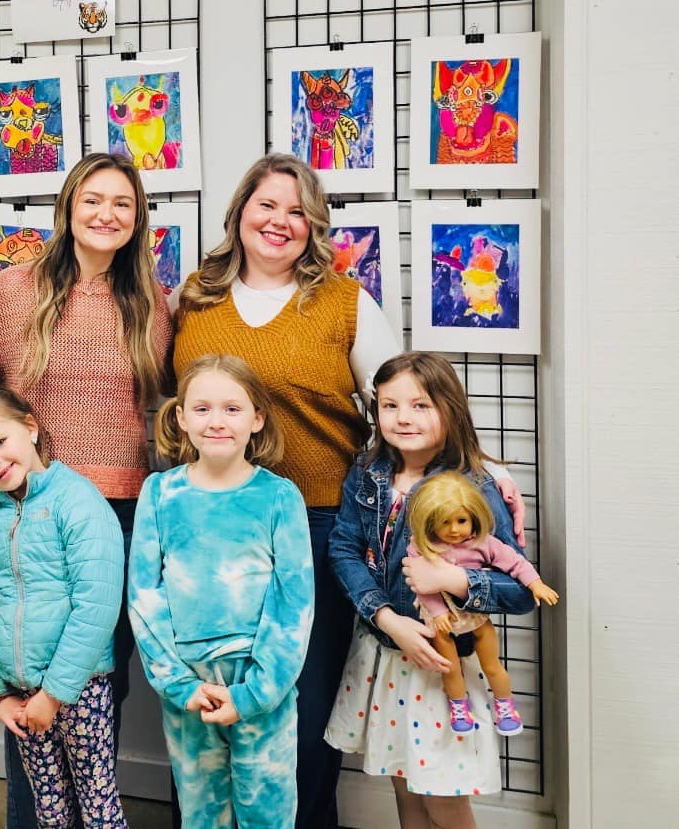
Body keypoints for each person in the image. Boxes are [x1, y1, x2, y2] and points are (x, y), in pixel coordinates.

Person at [171, 153, 397, 829]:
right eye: (266, 205)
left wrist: (479, 468)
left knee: (300, 708)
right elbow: (160, 403)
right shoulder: (191, 299)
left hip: (317, 528)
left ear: (314, 225)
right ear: (239, 211)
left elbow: (402, 404)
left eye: (297, 210)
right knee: (219, 706)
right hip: (210, 530)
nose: (280, 221)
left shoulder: (343, 301)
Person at [0, 151, 172, 829]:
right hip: (29, 512)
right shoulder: (10, 292)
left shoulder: (152, 304)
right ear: (66, 208)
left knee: (97, 686)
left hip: (119, 515)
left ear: (137, 218)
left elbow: (163, 413)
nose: (105, 214)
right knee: (27, 675)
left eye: (121, 203)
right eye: (92, 199)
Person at [325, 351, 536, 829]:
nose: (402, 418)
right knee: (405, 786)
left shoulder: (475, 488)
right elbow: (344, 549)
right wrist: (385, 617)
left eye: (420, 405)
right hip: (388, 655)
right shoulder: (368, 474)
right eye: (389, 405)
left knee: (444, 795)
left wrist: (455, 581)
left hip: (442, 674)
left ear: (450, 408)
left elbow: (520, 590)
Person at [128, 354, 314, 828]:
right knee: (201, 813)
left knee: (266, 814)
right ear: (182, 417)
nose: (216, 421)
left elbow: (294, 605)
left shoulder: (279, 497)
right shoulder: (159, 493)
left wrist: (254, 693)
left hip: (260, 683)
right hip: (189, 687)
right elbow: (144, 598)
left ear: (257, 419)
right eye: (203, 408)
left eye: (232, 409)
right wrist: (178, 683)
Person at [0, 384, 127, 828]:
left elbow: (97, 605)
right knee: (49, 810)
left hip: (79, 688)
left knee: (98, 805)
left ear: (29, 428)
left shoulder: (77, 500)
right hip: (20, 694)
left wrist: (54, 695)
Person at [405, 471, 558, 736]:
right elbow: (421, 584)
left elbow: (515, 563)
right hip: (440, 619)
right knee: (450, 668)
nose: (454, 530)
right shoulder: (422, 546)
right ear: (430, 522)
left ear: (473, 517)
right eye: (445, 522)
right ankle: (458, 706)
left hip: (474, 613)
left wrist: (535, 583)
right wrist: (438, 611)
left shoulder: (482, 543)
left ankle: (505, 704)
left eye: (461, 521)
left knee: (492, 664)